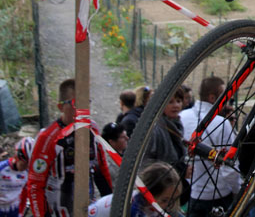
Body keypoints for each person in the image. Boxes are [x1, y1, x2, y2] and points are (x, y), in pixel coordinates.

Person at [27, 78, 113, 216]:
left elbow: (101, 170)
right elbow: (35, 185)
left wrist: (112, 206)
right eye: (76, 103)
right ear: (61, 107)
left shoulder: (92, 130)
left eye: (87, 102)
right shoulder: (48, 138)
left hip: (87, 209)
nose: (83, 108)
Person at [179, 77, 236, 215]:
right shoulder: (222, 123)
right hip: (219, 195)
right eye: (224, 96)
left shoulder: (182, 116)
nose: (227, 101)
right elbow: (229, 164)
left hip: (192, 193)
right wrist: (238, 190)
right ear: (212, 97)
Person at [87, 162, 183, 217]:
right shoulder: (134, 207)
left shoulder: (147, 202)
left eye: (173, 200)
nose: (169, 205)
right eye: (165, 200)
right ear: (149, 194)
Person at [0, 137, 34, 217]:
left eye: (29, 165)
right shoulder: (2, 168)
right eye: (24, 163)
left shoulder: (27, 172)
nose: (25, 167)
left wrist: (20, 213)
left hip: (14, 208)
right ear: (17, 157)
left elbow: (25, 193)